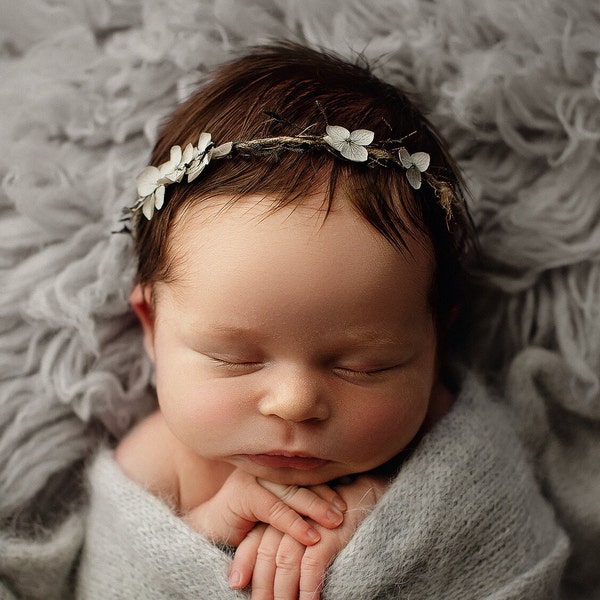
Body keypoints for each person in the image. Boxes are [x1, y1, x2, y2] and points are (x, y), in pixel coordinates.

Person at [76, 43, 568, 600]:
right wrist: (212, 525)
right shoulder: (161, 463)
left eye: (364, 365)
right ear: (150, 326)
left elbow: (508, 540)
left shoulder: (444, 437)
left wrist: (381, 522)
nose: (293, 402)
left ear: (436, 338)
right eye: (233, 357)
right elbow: (113, 581)